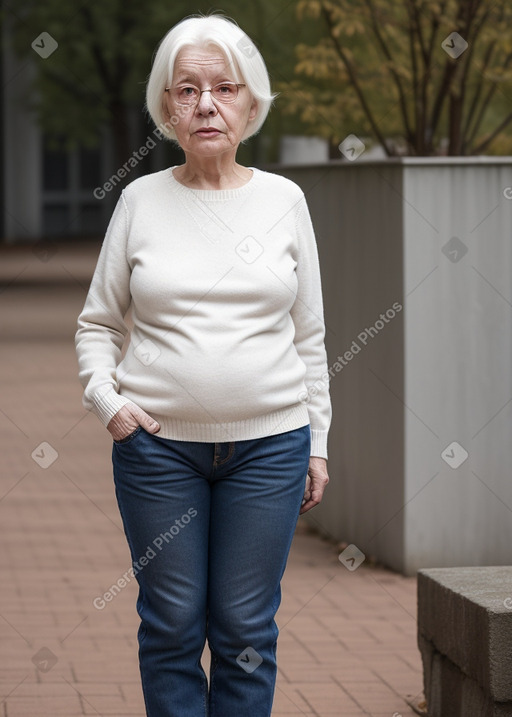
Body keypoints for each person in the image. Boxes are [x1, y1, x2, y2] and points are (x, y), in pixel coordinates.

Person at [75, 14, 331, 717]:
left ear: (252, 104)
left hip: (270, 448)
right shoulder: (140, 200)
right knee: (171, 625)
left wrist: (318, 442)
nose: (207, 104)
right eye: (187, 90)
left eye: (225, 87)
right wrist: (108, 401)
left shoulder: (285, 201)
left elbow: (309, 336)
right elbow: (97, 324)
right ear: (167, 108)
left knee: (246, 629)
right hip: (157, 450)